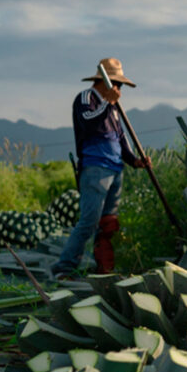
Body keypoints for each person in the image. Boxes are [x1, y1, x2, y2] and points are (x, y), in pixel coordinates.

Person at [51, 58, 150, 279]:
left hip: (115, 168)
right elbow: (88, 123)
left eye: (120, 85)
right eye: (117, 84)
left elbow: (120, 137)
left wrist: (134, 160)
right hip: (96, 167)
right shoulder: (86, 98)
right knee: (89, 221)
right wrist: (107, 103)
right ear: (104, 82)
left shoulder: (113, 108)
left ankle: (104, 269)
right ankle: (64, 267)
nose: (119, 89)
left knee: (108, 224)